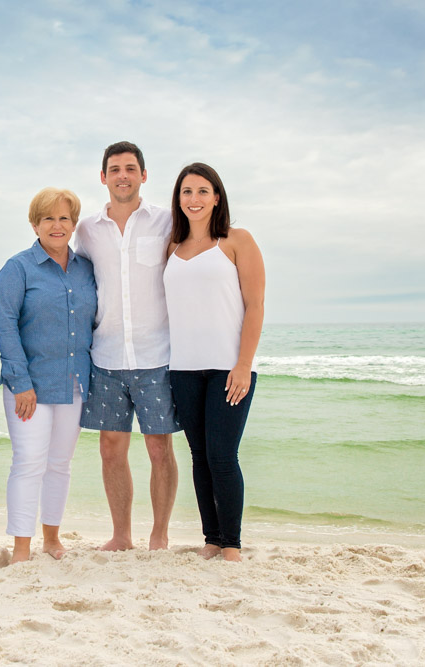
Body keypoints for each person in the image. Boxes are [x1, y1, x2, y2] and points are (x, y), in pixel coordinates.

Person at [72, 141, 180, 551]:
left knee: (158, 446)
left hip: (157, 355)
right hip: (106, 356)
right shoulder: (86, 230)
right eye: (114, 169)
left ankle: (159, 535)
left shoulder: (167, 222)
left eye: (130, 168)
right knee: (110, 447)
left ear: (143, 175)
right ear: (103, 177)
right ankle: (121, 536)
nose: (123, 175)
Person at [163, 162, 265, 562]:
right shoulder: (172, 248)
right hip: (183, 368)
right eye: (187, 192)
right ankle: (211, 537)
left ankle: (232, 544)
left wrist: (244, 364)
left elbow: (255, 306)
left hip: (228, 366)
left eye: (203, 191)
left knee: (223, 456)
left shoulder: (237, 240)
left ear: (217, 197)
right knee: (199, 456)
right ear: (179, 199)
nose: (194, 199)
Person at [0, 188, 97, 564]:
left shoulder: (86, 269)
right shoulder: (17, 268)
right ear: (34, 224)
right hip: (30, 388)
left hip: (74, 385)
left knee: (59, 464)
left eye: (65, 218)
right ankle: (22, 547)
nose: (57, 225)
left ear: (74, 224)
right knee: (29, 462)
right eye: (48, 218)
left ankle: (52, 539)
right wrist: (21, 383)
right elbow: (4, 326)